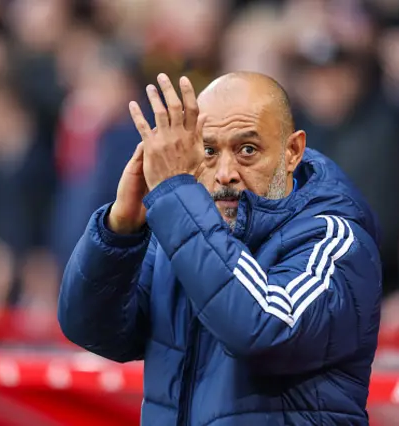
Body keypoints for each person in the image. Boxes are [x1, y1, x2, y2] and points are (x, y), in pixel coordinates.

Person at [58, 71, 382, 425]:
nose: (225, 172)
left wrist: (177, 198)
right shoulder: (181, 232)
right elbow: (92, 328)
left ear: (292, 152)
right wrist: (120, 230)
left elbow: (262, 329)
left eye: (247, 150)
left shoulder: (334, 238)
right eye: (209, 151)